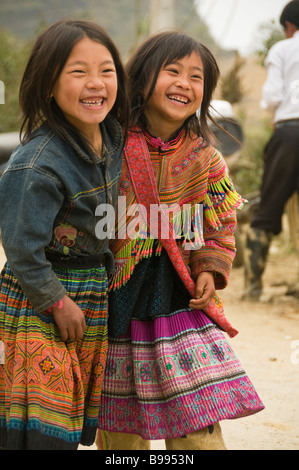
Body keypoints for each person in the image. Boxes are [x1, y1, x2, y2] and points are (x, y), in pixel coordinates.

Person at [96, 31, 264, 451]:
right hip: (117, 300)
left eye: (196, 77)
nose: (184, 83)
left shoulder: (206, 158)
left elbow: (221, 221)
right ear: (141, 78)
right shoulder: (106, 146)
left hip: (178, 298)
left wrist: (209, 267)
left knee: (195, 421)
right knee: (120, 429)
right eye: (172, 71)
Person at [0, 19, 129, 450]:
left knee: (66, 424)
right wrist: (56, 301)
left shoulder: (113, 140)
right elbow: (20, 247)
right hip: (42, 300)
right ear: (48, 82)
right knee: (41, 428)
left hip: (90, 293)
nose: (95, 83)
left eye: (106, 70)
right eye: (78, 72)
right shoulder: (36, 163)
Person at [244, 0, 299, 300]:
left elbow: (272, 96)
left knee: (267, 210)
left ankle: (253, 286)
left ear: (289, 26)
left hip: (289, 133)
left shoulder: (283, 49)